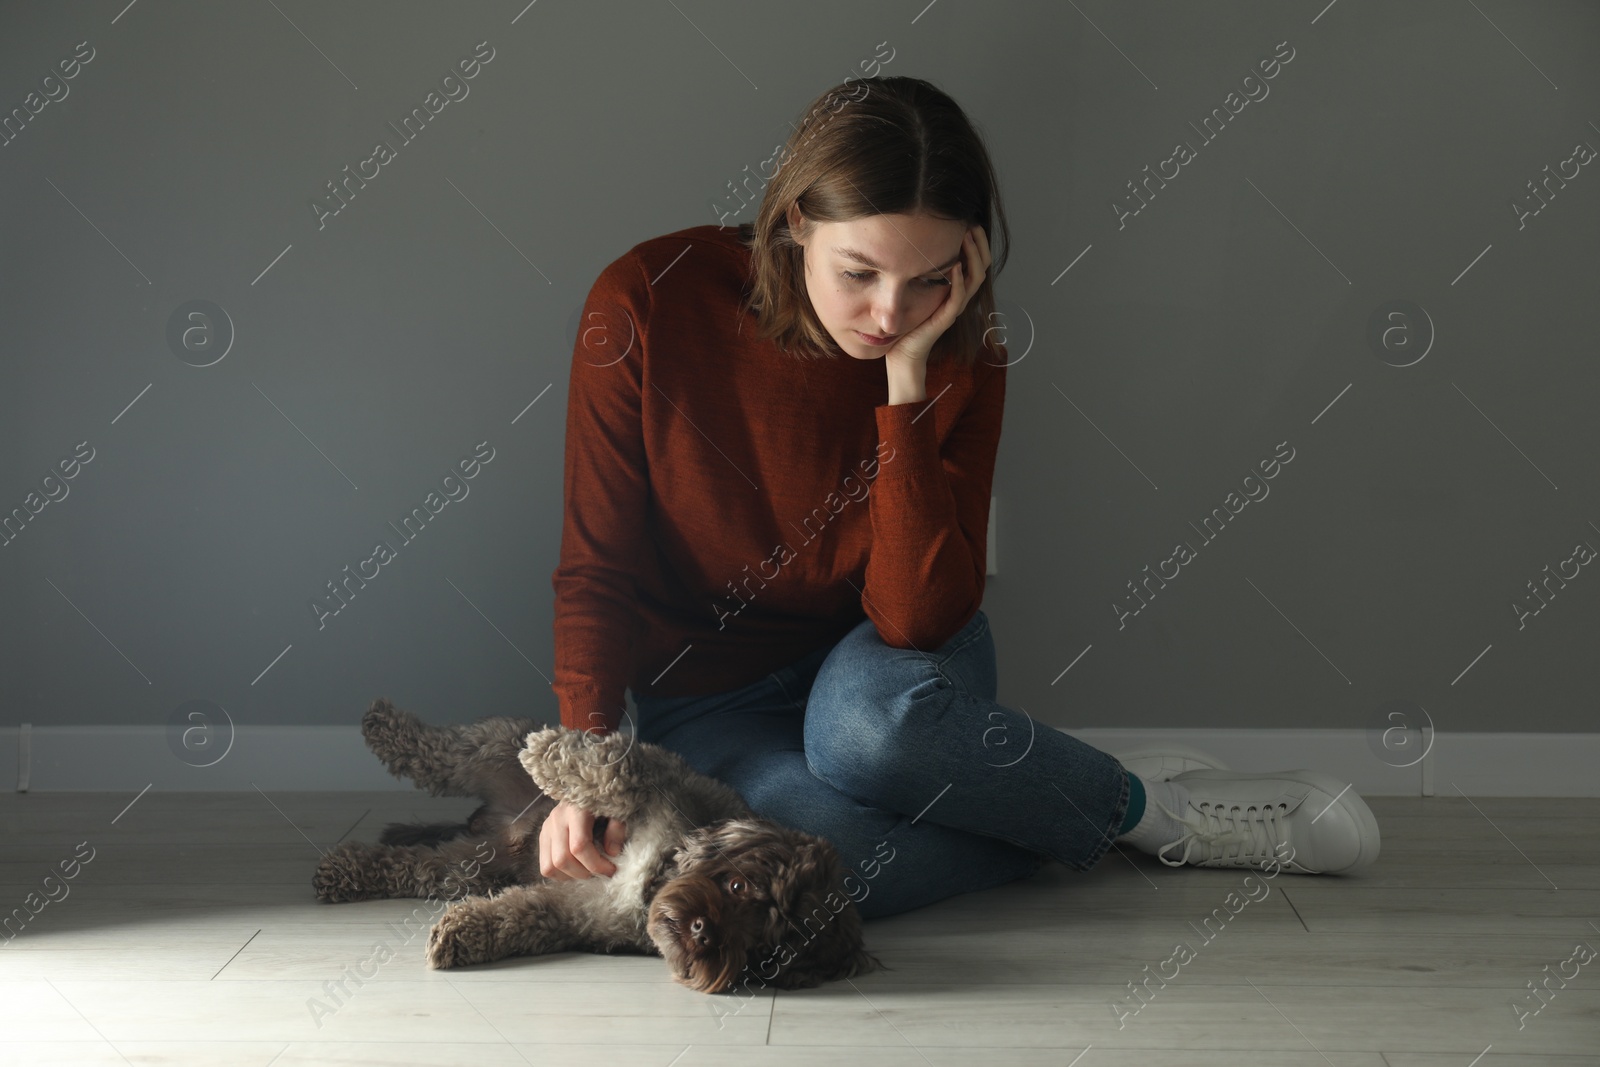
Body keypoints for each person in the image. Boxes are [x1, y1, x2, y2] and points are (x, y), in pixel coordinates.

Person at [542, 75, 1380, 920]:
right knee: (830, 855)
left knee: (866, 731)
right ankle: (1084, 802)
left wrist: (905, 391)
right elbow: (596, 564)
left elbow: (921, 619)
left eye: (929, 280)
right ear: (796, 221)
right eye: (859, 272)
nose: (889, 313)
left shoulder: (961, 350)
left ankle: (1164, 816)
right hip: (714, 700)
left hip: (889, 675)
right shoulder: (648, 301)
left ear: (967, 260)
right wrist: (587, 768)